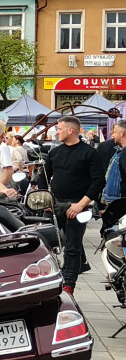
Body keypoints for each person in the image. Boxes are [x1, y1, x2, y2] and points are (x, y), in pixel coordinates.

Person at [43, 116, 104, 295]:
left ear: (71, 130)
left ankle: (69, 284)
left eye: (59, 129)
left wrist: (81, 204)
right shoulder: (54, 153)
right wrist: (45, 198)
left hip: (79, 206)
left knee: (72, 246)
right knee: (50, 243)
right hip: (55, 204)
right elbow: (43, 177)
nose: (56, 132)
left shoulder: (89, 153)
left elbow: (98, 181)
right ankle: (55, 275)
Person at [100, 120, 126, 207]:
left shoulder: (124, 153)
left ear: (122, 134)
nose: (112, 135)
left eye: (114, 132)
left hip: (120, 202)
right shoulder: (119, 151)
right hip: (115, 201)